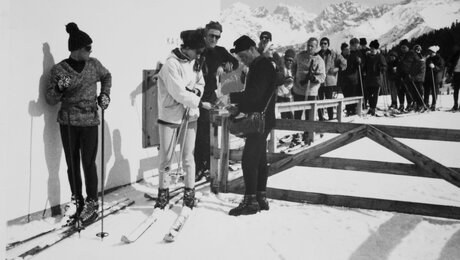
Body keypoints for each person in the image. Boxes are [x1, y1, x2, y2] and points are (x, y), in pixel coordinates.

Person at [46, 22, 111, 224]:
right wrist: (59, 87)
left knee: (89, 163)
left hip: (90, 121)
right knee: (71, 164)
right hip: (68, 122)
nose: (90, 52)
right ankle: (77, 200)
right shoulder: (59, 70)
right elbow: (50, 99)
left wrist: (105, 95)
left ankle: (92, 202)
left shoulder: (93, 65)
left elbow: (107, 76)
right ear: (76, 50)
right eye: (88, 48)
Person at [155, 29, 212, 210]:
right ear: (187, 48)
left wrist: (196, 91)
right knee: (166, 157)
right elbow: (178, 92)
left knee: (188, 157)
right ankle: (163, 192)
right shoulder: (171, 64)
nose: (199, 55)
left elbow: (200, 82)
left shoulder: (194, 62)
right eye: (197, 51)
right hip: (170, 115)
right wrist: (199, 102)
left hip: (190, 114)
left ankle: (189, 192)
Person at [227, 35, 277, 216]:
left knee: (249, 160)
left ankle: (250, 201)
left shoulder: (261, 66)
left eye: (242, 55)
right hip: (265, 119)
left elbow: (255, 95)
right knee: (260, 159)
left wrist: (235, 100)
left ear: (251, 49)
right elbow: (259, 95)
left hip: (259, 121)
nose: (241, 59)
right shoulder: (262, 64)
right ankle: (261, 197)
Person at [194, 21, 239, 182]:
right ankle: (200, 166)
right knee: (197, 134)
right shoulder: (197, 49)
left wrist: (224, 65)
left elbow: (235, 63)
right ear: (205, 35)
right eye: (211, 36)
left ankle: (204, 166)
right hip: (193, 96)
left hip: (210, 98)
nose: (214, 39)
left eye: (217, 37)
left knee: (205, 132)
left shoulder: (220, 51)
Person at [289, 37, 325, 146]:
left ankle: (308, 134)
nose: (309, 48)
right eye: (308, 45)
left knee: (310, 115)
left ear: (316, 47)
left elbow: (322, 76)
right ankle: (296, 135)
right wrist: (296, 76)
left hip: (311, 91)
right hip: (298, 89)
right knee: (298, 114)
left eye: (312, 46)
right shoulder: (300, 56)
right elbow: (293, 66)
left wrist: (314, 79)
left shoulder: (319, 60)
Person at [316, 37, 347, 120]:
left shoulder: (333, 54)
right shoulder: (317, 55)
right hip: (319, 81)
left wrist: (337, 69)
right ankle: (320, 117)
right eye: (321, 43)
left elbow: (344, 63)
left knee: (329, 100)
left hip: (330, 81)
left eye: (325, 43)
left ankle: (330, 117)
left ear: (328, 44)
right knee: (319, 100)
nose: (323, 45)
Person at [363, 40, 387, 115]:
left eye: (373, 48)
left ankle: (373, 107)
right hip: (369, 78)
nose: (372, 50)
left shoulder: (380, 56)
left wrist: (382, 68)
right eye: (371, 48)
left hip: (377, 78)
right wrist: (364, 71)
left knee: (375, 94)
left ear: (376, 49)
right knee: (369, 94)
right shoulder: (368, 57)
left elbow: (385, 66)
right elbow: (365, 66)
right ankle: (371, 107)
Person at [341, 38, 364, 116]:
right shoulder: (349, 53)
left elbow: (362, 65)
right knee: (347, 94)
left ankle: (353, 109)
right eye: (353, 45)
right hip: (347, 77)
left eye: (356, 45)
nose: (355, 47)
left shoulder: (359, 53)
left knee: (354, 94)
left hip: (354, 77)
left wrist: (359, 62)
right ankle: (349, 109)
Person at [276, 49, 296, 119]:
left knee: (290, 115)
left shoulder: (294, 69)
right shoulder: (280, 68)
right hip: (281, 93)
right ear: (285, 60)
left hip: (289, 95)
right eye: (288, 60)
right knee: (284, 114)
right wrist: (284, 80)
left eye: (291, 60)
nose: (289, 62)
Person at [424, 45, 445, 111]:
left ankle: (434, 104)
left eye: (431, 52)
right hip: (428, 76)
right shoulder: (428, 59)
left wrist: (434, 67)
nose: (429, 53)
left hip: (435, 77)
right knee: (426, 91)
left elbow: (441, 68)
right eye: (429, 52)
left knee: (434, 91)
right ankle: (426, 103)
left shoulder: (439, 58)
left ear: (434, 52)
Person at [446, 43, 460, 111]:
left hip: (456, 73)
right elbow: (449, 62)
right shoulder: (456, 54)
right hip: (456, 73)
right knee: (456, 90)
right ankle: (455, 105)